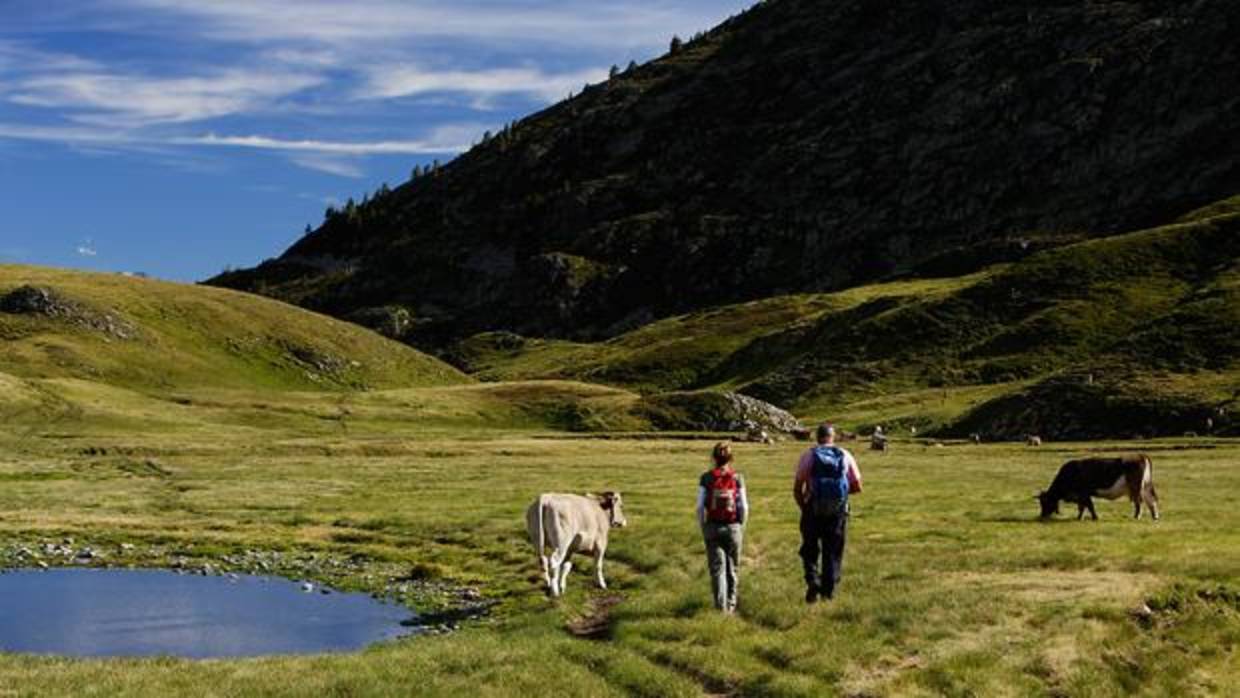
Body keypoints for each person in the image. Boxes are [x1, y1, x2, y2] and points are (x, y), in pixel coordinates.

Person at [793, 422, 862, 603]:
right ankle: (828, 591)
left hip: (812, 508)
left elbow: (797, 487)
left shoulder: (808, 455)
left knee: (809, 548)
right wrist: (841, 495)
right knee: (833, 550)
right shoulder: (845, 455)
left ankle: (813, 580)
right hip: (837, 510)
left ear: (817, 437)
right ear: (833, 437)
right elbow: (858, 486)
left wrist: (805, 507)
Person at [697, 442, 748, 613]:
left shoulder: (706, 478)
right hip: (733, 527)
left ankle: (721, 609)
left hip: (712, 526)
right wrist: (741, 525)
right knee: (733, 567)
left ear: (713, 457)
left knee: (717, 569)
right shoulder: (737, 478)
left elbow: (699, 507)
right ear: (731, 458)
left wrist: (703, 526)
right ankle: (731, 605)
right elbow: (744, 506)